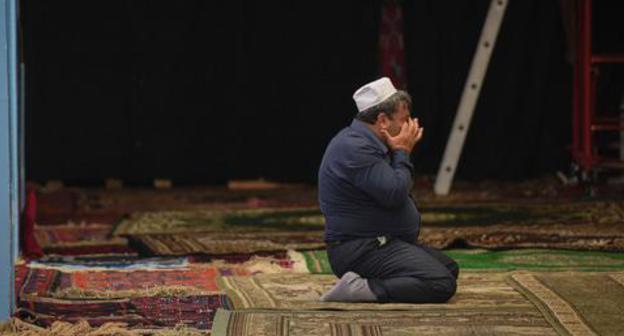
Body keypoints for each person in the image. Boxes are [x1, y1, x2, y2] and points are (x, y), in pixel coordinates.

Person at [318, 77, 459, 303]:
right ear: (383, 120)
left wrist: (398, 151)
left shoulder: (371, 142)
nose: (408, 126)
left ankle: (370, 281)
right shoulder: (354, 148)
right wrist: (403, 151)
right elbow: (394, 193)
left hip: (382, 242)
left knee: (449, 268)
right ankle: (362, 288)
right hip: (361, 249)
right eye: (404, 120)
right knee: (440, 283)